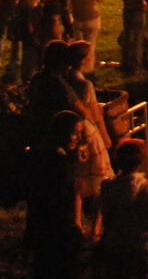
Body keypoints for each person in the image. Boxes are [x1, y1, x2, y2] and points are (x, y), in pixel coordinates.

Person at [23, 110, 89, 279]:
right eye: (75, 133)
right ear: (62, 132)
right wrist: (75, 225)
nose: (78, 138)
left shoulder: (41, 155)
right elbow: (64, 196)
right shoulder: (57, 162)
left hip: (41, 227)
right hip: (57, 230)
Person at [98, 136, 148, 279]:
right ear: (141, 160)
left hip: (116, 249)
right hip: (145, 249)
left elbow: (105, 212)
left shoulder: (108, 188)